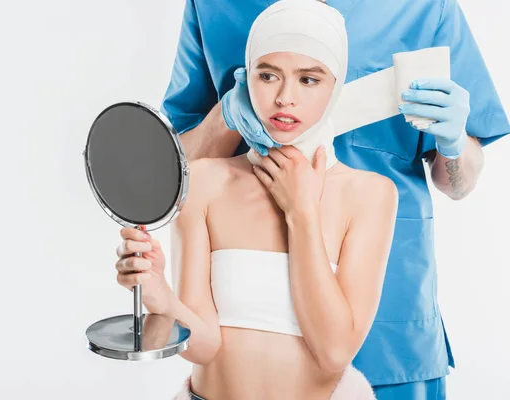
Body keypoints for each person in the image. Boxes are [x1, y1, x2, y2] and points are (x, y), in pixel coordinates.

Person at [157, 0, 510, 398]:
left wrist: (454, 141)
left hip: (390, 320)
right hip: (244, 332)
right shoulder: (214, 6)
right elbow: (175, 172)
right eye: (270, 76)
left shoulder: (424, 8)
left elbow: (458, 184)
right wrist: (224, 117)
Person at [116, 1, 397, 398]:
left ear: (337, 84)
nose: (285, 98)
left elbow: (334, 352)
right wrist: (162, 298)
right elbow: (205, 345)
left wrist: (300, 212)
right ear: (246, 79)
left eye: (309, 80)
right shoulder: (206, 181)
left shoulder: (369, 195)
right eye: (268, 75)